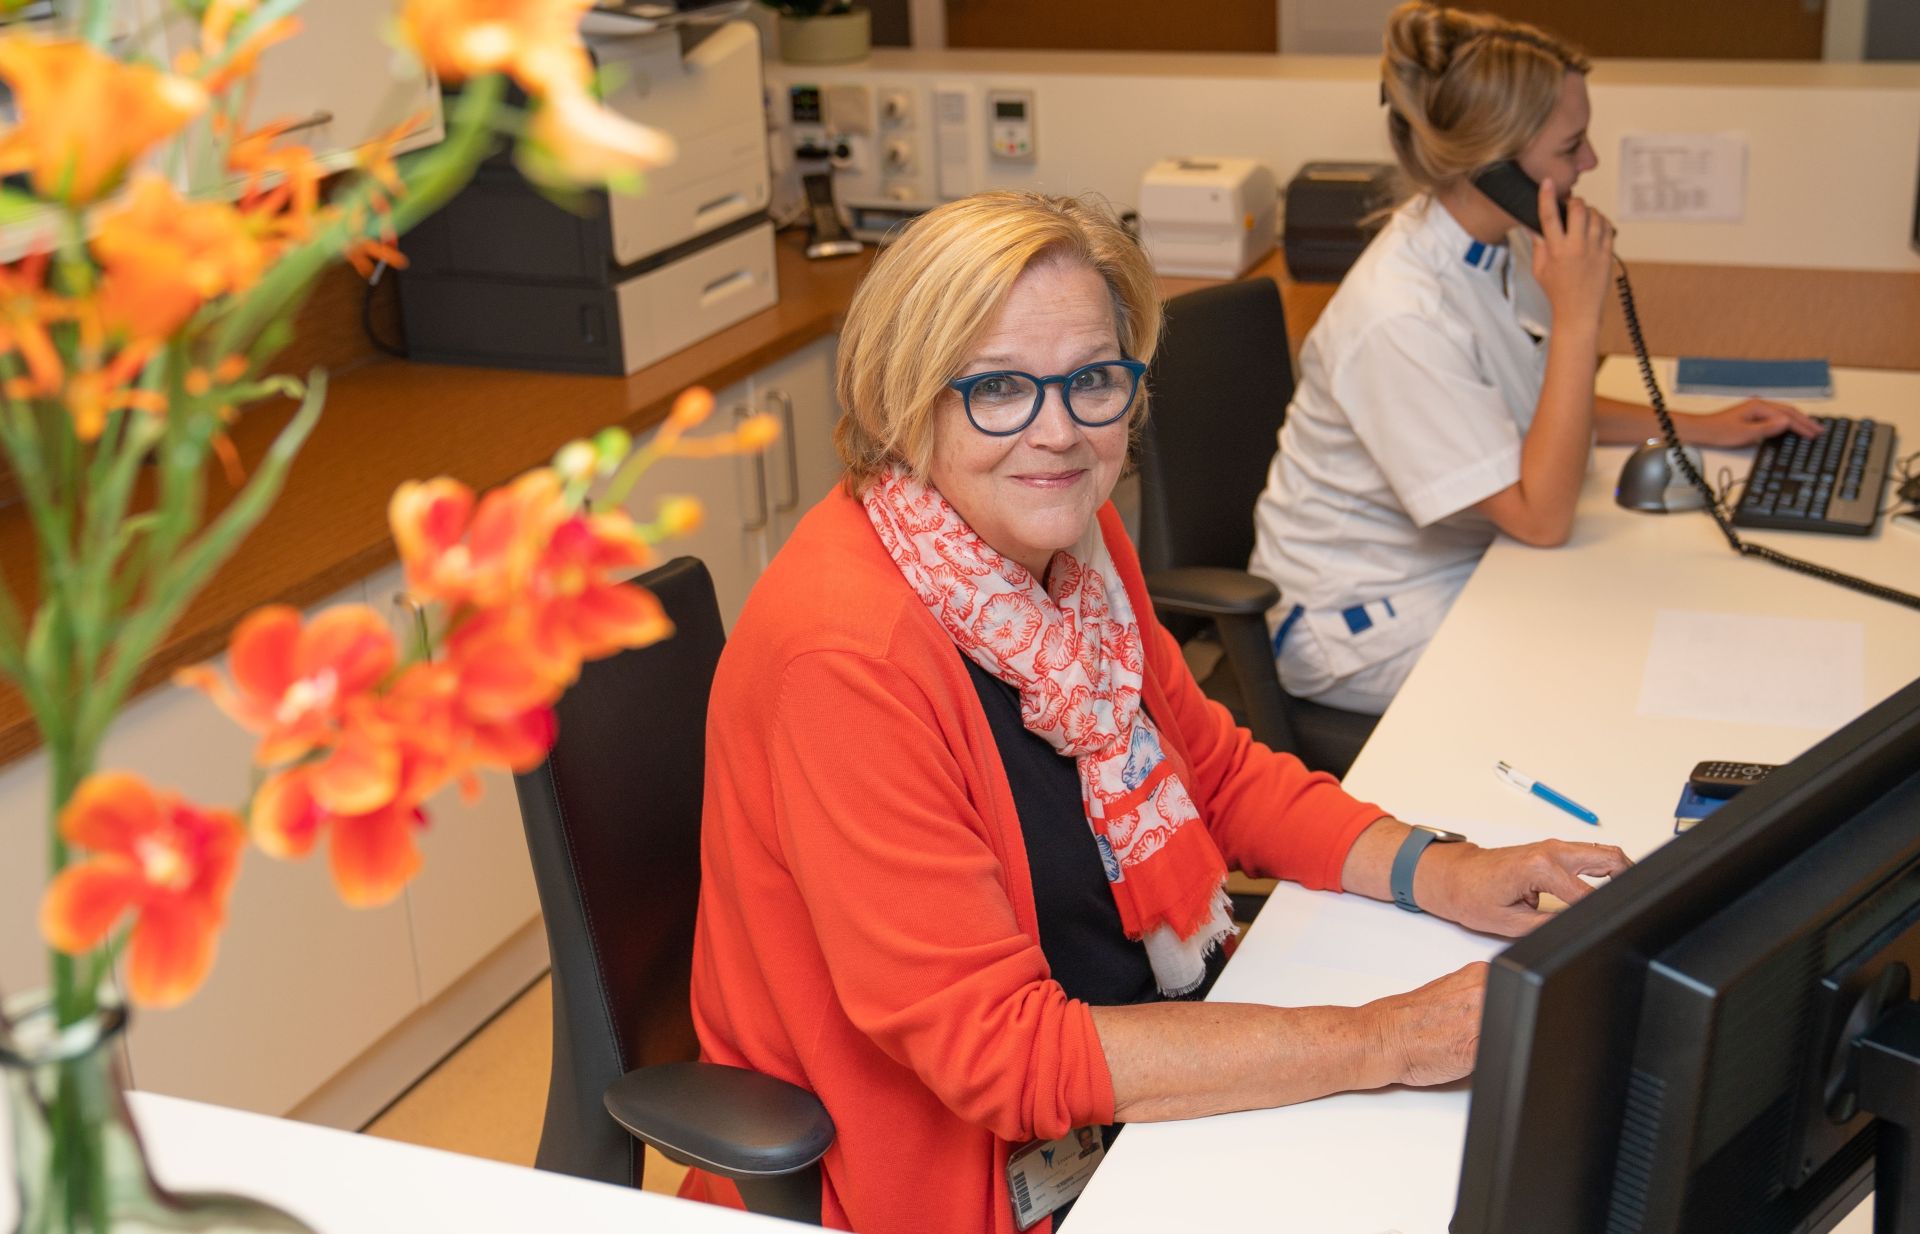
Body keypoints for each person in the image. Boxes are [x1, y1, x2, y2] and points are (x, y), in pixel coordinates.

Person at [682, 190, 1630, 1234]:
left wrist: (1442, 866)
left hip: (1129, 1060)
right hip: (973, 1161)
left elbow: (1210, 773)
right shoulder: (848, 659)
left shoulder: (1066, 542)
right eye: (999, 386)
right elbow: (999, 1054)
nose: (1058, 432)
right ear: (906, 401)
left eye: (1092, 381)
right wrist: (1389, 1038)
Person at [1247, 2, 1822, 716]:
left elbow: (1536, 403)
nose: (1591, 163)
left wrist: (1699, 425)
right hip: (1365, 622)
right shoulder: (1399, 315)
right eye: (1571, 145)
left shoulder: (1499, 246)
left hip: (1473, 564)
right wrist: (1580, 312)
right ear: (1494, 168)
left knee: (1674, 627)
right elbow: (1541, 517)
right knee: (1620, 684)